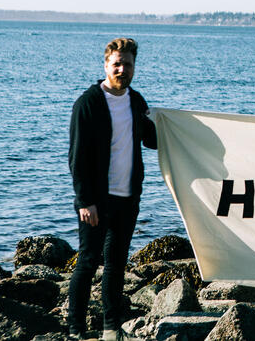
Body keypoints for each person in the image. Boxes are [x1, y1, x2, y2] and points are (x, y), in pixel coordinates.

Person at [68, 38, 157, 341]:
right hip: (96, 201)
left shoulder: (135, 101)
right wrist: (85, 200)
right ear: (106, 65)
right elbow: (77, 158)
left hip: (127, 198)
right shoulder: (89, 103)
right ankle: (75, 329)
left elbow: (151, 139)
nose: (122, 69)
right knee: (88, 261)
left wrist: (179, 125)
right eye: (116, 64)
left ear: (134, 67)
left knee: (116, 265)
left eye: (127, 64)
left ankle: (110, 328)